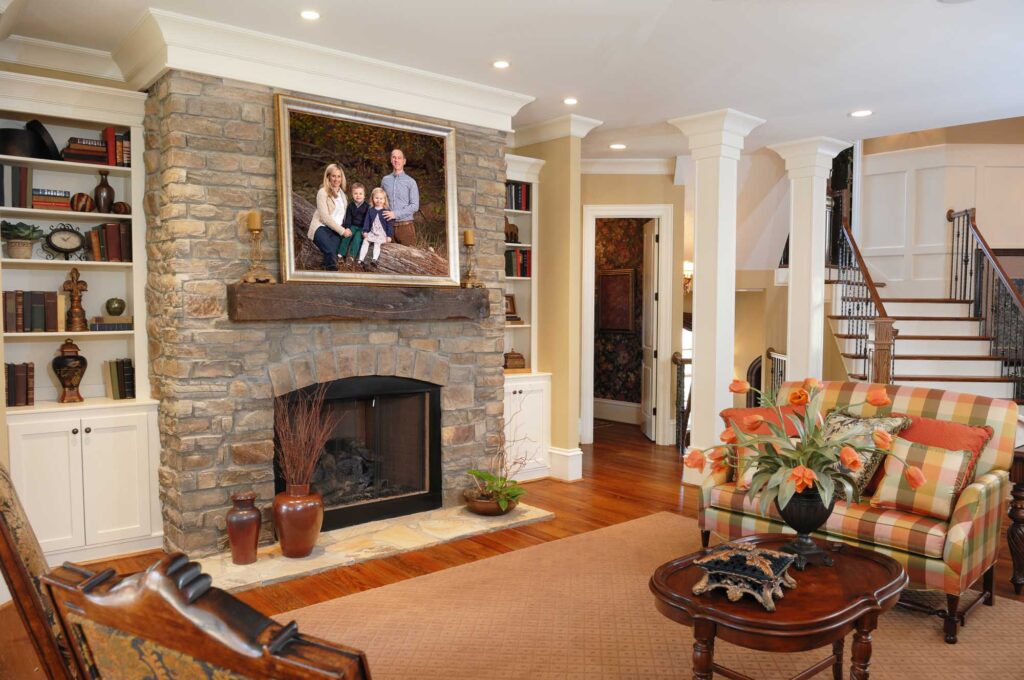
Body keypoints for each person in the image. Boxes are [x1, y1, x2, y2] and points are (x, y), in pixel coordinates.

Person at [307, 163, 348, 271]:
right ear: (328, 177)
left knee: (333, 254)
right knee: (330, 251)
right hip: (321, 227)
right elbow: (325, 217)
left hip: (335, 231)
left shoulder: (343, 195)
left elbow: (344, 216)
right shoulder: (322, 192)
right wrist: (342, 231)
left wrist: (347, 228)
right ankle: (333, 277)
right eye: (333, 176)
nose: (336, 179)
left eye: (339, 176)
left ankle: (324, 273)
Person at [381, 148, 419, 246]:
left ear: (404, 161)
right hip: (388, 226)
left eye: (399, 158)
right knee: (388, 260)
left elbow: (415, 206)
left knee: (410, 259)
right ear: (391, 160)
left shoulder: (411, 182)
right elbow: (380, 201)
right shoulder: (385, 180)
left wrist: (395, 214)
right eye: (394, 157)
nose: (396, 160)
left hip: (406, 227)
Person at [357, 187, 394, 269]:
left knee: (377, 244)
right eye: (376, 198)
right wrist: (365, 231)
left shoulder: (386, 211)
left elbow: (389, 224)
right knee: (365, 241)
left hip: (382, 234)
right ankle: (360, 259)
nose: (379, 200)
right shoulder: (371, 210)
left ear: (384, 200)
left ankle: (374, 259)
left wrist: (389, 235)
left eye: (381, 198)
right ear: (373, 199)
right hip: (372, 232)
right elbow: (367, 222)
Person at [338, 182, 368, 264]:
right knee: (347, 235)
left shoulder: (367, 207)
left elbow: (367, 220)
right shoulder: (351, 206)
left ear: (364, 195)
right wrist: (347, 227)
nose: (358, 195)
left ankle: (351, 257)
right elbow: (348, 218)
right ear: (352, 195)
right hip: (353, 226)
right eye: (355, 193)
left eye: (360, 193)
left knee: (357, 239)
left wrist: (365, 230)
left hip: (361, 228)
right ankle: (340, 255)